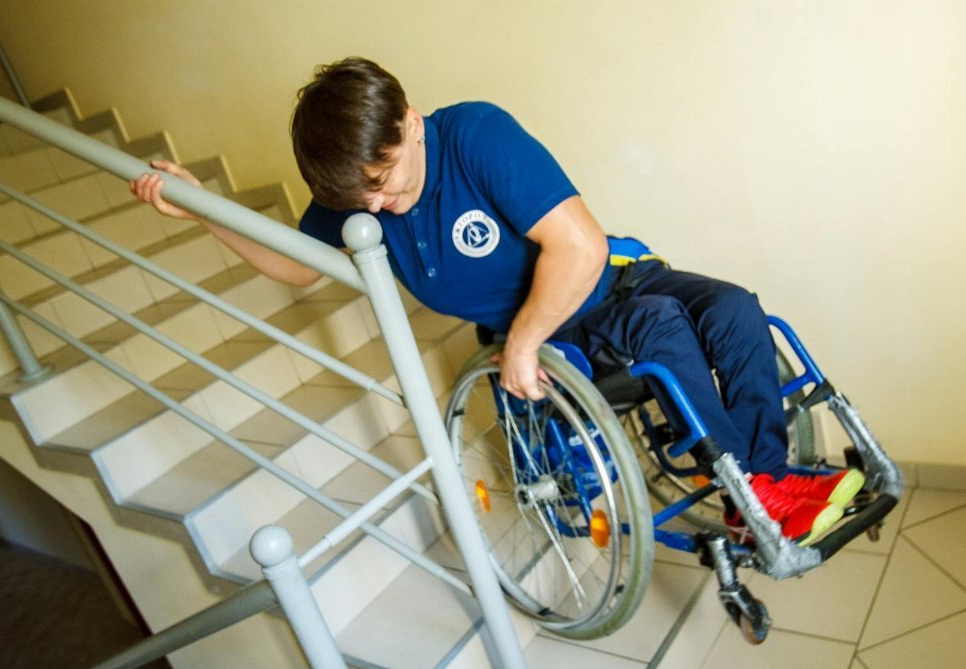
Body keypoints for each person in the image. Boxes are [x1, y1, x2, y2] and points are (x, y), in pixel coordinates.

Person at [130, 57, 864, 545]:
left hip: (605, 279)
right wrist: (201, 209)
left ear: (411, 120)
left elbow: (580, 248)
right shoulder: (359, 205)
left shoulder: (473, 133)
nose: (378, 207)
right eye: (360, 197)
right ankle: (754, 493)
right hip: (572, 329)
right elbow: (298, 269)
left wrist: (519, 340)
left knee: (734, 305)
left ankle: (763, 480)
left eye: (383, 178)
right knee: (664, 327)